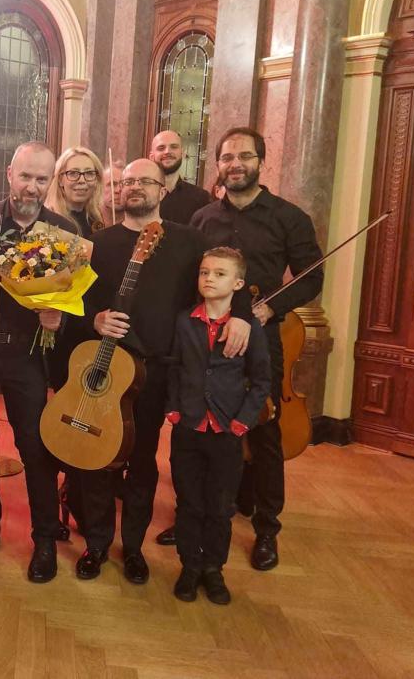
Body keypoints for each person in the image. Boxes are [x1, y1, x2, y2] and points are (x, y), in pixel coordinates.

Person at [77, 158, 251, 584]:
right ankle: (96, 543)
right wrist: (95, 319)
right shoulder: (100, 242)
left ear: (163, 190)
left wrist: (243, 317)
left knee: (142, 459)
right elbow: (77, 300)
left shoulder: (190, 241)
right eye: (128, 181)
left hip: (156, 372)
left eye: (145, 181)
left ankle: (133, 547)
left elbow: (224, 280)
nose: (135, 187)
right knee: (97, 458)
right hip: (105, 369)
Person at [188, 126, 323, 572]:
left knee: (264, 431)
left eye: (244, 156)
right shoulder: (203, 218)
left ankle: (267, 529)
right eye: (227, 157)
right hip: (210, 339)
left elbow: (312, 276)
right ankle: (202, 516)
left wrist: (269, 309)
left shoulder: (289, 217)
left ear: (261, 162)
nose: (235, 164)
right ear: (218, 164)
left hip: (261, 338)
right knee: (205, 427)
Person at [0, 141, 78, 583]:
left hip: (27, 355)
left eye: (41, 179)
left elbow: (75, 301)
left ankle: (44, 537)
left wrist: (59, 319)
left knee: (34, 446)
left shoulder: (62, 230)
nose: (31, 186)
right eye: (25, 176)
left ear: (51, 182)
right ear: (9, 173)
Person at [166, 247, 271, 604]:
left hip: (227, 431)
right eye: (204, 272)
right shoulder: (185, 321)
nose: (209, 278)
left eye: (220, 273)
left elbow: (261, 381)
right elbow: (175, 367)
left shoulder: (248, 328)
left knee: (220, 506)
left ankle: (213, 568)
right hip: (188, 427)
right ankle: (189, 566)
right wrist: (173, 409)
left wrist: (242, 423)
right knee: (188, 503)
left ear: (238, 283)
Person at [44, 146, 107, 237]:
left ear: (97, 180)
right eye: (73, 173)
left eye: (89, 173)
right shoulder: (47, 222)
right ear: (60, 180)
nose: (81, 180)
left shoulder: (97, 219)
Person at [151, 130, 211, 224]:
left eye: (174, 147)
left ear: (182, 153)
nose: (167, 151)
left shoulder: (201, 198)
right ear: (151, 156)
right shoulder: (142, 194)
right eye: (161, 148)